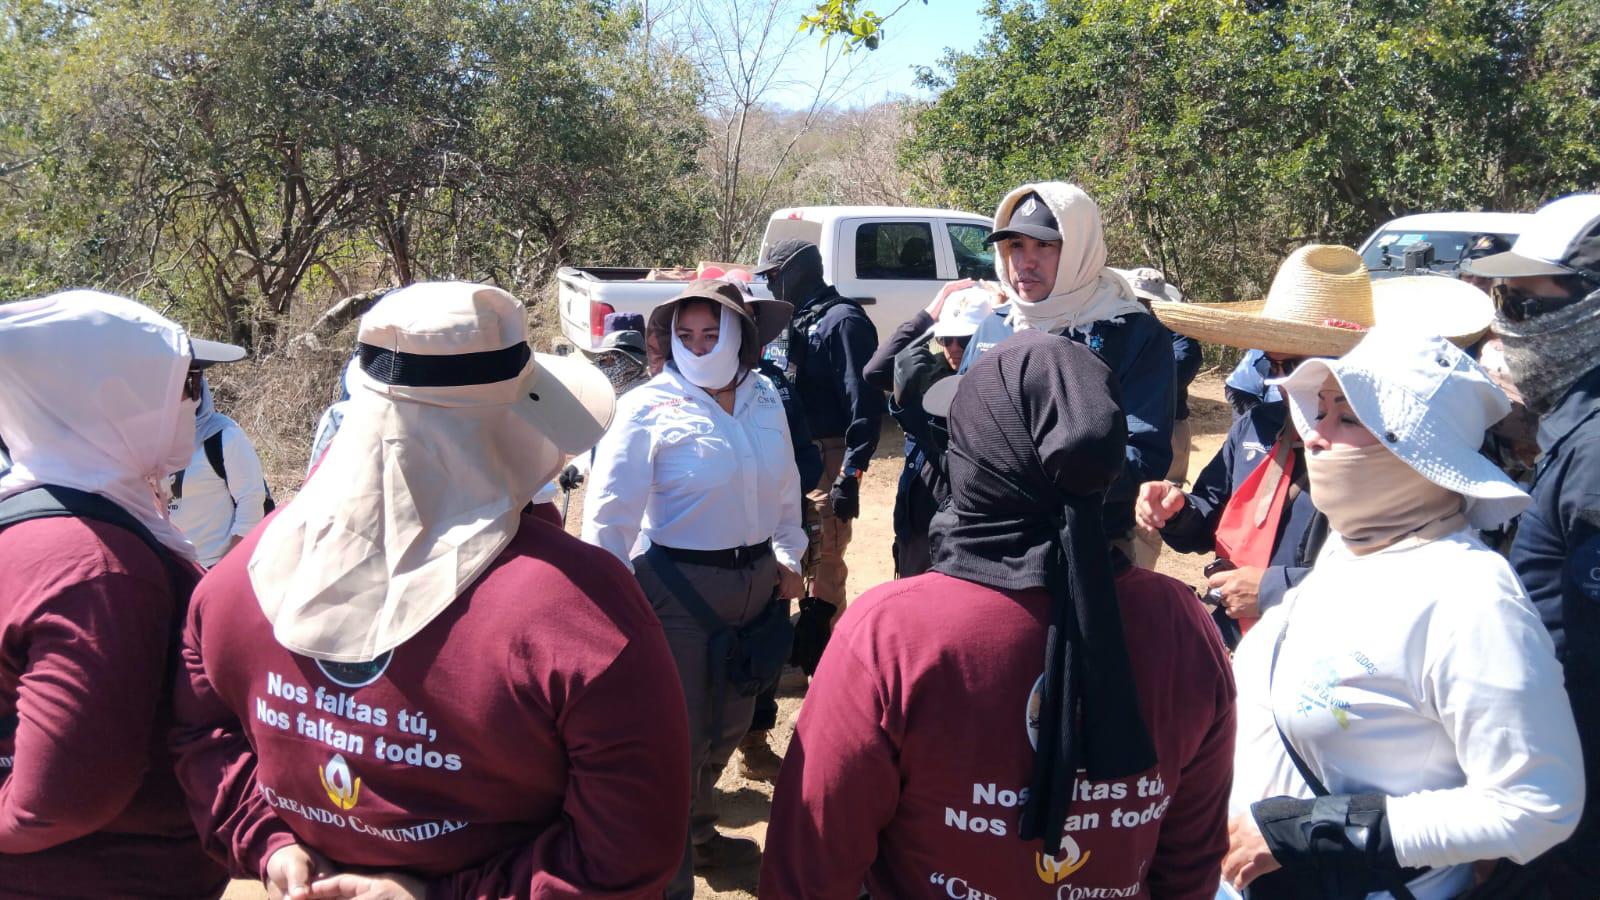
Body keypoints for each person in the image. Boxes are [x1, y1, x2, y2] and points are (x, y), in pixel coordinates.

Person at [170, 281, 691, 899]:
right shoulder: (583, 609)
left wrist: (270, 843)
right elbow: (630, 851)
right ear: (519, 421)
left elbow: (201, 740)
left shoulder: (235, 581)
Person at [763, 330, 1236, 899]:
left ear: (981, 452)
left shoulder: (890, 636)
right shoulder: (1183, 626)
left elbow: (809, 872)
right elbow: (1189, 869)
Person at [1224, 325, 1584, 900]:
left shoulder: (1470, 596)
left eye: (1348, 418)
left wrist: (1325, 829)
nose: (1313, 437)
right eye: (1317, 412)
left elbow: (1539, 804)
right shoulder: (1352, 549)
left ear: (1418, 449)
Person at [0, 290, 228, 898]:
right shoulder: (99, 569)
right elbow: (62, 801)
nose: (195, 403)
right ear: (117, 403)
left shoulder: (37, 512)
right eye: (183, 385)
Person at [581, 279, 806, 895]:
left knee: (730, 723)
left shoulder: (763, 397)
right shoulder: (647, 407)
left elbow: (785, 488)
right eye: (685, 336)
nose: (700, 347)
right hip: (677, 594)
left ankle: (699, 832)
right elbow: (607, 520)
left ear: (740, 335)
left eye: (712, 334)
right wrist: (617, 612)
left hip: (757, 583)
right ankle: (670, 878)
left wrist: (789, 553)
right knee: (676, 743)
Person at [1144, 246, 1494, 637]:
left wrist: (1274, 589)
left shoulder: (1389, 454)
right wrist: (1177, 512)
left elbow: (1398, 580)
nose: (1278, 382)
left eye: (1295, 367)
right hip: (1244, 647)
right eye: (1270, 365)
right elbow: (1209, 518)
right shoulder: (1258, 425)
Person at [1460, 192, 1600, 894]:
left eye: (1524, 303)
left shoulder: (1597, 449)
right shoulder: (1572, 429)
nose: (1507, 323)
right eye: (1501, 299)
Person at [960, 183, 1175, 566]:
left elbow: (1143, 453)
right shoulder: (995, 326)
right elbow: (958, 430)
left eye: (1045, 245)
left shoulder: (1131, 333)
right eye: (1015, 246)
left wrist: (1037, 485)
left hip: (1091, 544)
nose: (1026, 261)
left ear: (1079, 248)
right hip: (991, 539)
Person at [756, 239, 884, 616]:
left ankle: (825, 661)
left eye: (774, 276)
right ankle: (791, 662)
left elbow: (865, 404)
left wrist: (851, 473)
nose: (769, 285)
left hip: (827, 458)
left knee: (824, 561)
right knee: (783, 551)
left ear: (798, 271)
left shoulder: (843, 322)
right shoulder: (790, 320)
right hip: (786, 453)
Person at [862, 278, 995, 577]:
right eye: (945, 338)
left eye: (965, 338)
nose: (953, 348)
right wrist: (930, 313)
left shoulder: (993, 387)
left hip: (959, 534)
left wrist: (910, 411)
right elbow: (874, 371)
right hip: (915, 525)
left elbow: (955, 463)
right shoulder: (932, 371)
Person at [168, 371, 270, 567]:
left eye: (173, 386)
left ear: (193, 386)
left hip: (213, 565)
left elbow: (251, 501)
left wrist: (224, 571)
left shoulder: (223, 435)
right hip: (169, 568)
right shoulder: (146, 439)